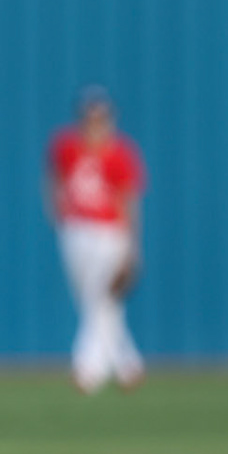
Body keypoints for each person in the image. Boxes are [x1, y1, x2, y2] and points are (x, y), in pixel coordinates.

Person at [45, 85, 147, 393]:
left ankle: (87, 370)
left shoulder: (120, 153)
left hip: (109, 233)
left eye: (101, 117)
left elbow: (129, 201)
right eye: (90, 117)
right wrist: (58, 215)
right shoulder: (66, 146)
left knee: (98, 297)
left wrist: (133, 246)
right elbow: (53, 182)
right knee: (94, 300)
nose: (95, 123)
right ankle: (129, 366)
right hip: (75, 229)